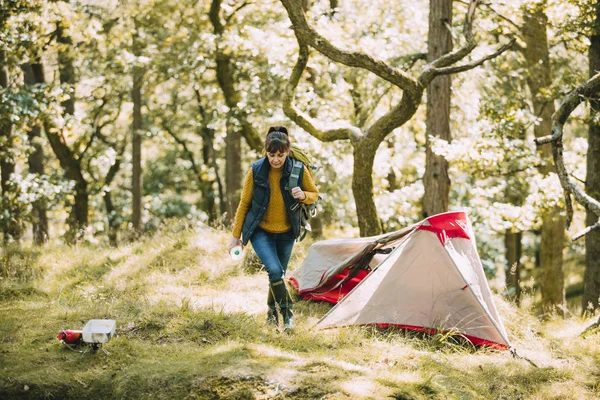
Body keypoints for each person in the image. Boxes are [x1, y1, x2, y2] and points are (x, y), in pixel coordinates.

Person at [229, 126, 319, 330]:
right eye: (272, 155)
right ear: (266, 152)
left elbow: (314, 194)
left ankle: (271, 315)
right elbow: (244, 204)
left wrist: (303, 195)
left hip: (287, 232)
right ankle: (288, 315)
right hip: (261, 232)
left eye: (281, 154)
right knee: (275, 270)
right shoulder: (256, 171)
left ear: (287, 152)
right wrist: (236, 237)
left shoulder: (298, 169)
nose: (276, 159)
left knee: (277, 275)